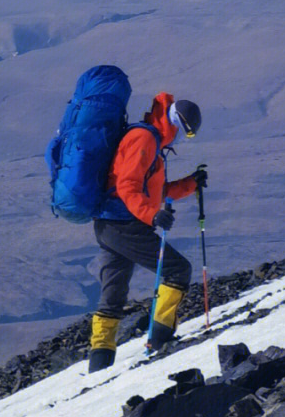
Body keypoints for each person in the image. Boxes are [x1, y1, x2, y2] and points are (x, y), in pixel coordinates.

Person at [88, 93, 207, 371]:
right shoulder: (144, 140)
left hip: (110, 224)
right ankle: (160, 339)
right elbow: (128, 187)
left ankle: (98, 366)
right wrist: (152, 215)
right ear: (176, 123)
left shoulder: (153, 141)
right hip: (123, 224)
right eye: (185, 133)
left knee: (113, 295)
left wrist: (191, 184)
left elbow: (155, 192)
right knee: (177, 270)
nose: (182, 139)